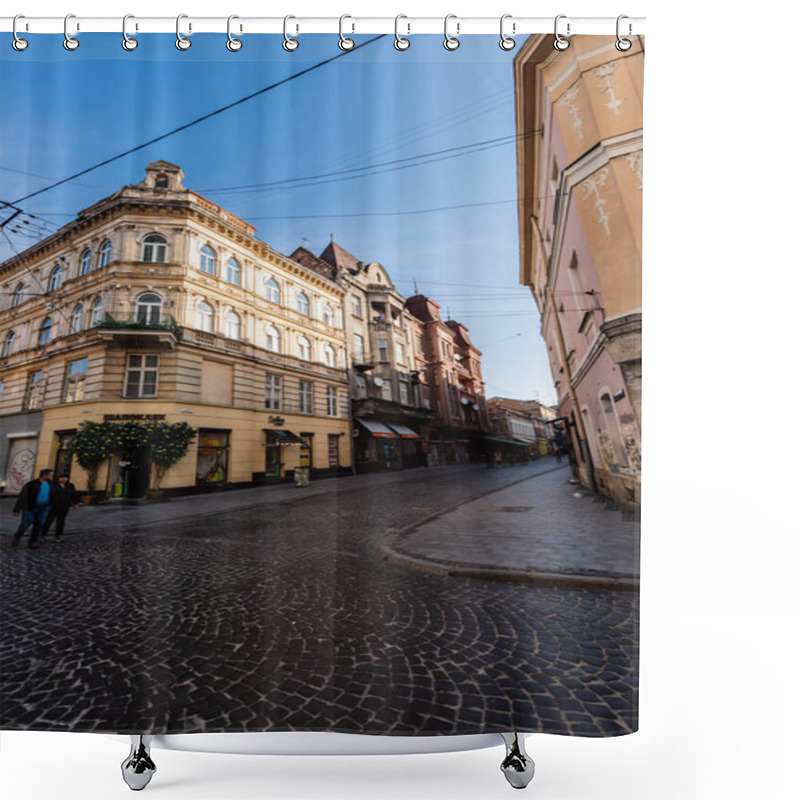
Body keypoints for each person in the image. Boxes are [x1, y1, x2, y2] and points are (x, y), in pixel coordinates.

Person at [11, 468, 54, 550]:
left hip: (44, 507)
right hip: (31, 507)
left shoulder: (51, 484)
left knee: (39, 524)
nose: (51, 476)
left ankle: (33, 541)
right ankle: (18, 536)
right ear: (44, 475)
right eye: (50, 474)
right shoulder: (32, 484)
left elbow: (54, 495)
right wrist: (17, 509)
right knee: (26, 523)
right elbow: (23, 497)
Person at [42, 473, 81, 542]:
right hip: (54, 505)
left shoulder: (70, 485)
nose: (64, 479)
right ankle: (43, 533)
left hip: (65, 505)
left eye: (65, 477)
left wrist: (75, 503)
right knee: (49, 519)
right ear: (58, 478)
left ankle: (58, 535)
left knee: (61, 520)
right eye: (62, 477)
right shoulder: (53, 485)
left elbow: (74, 494)